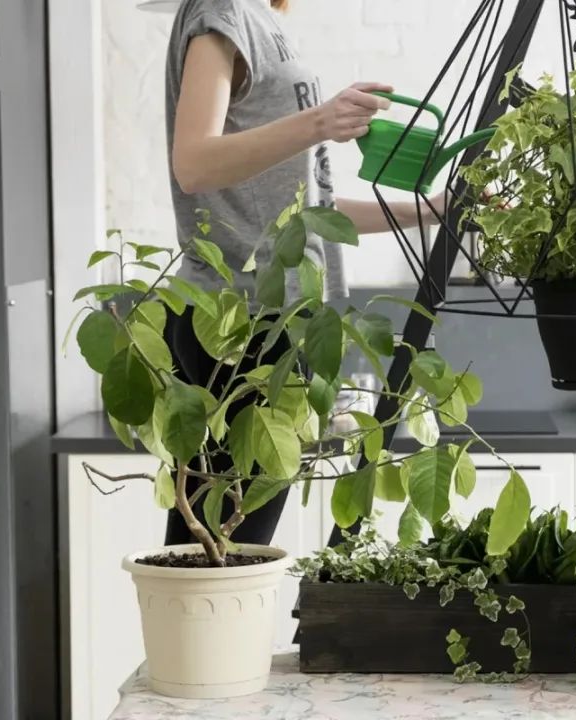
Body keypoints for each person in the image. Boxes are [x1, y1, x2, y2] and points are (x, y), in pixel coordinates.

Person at [162, 0, 434, 547]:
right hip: (238, 325)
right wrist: (320, 121)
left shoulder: (265, 20)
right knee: (220, 556)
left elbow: (312, 209)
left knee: (227, 554)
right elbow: (193, 164)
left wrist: (430, 210)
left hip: (283, 321)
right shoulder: (222, 10)